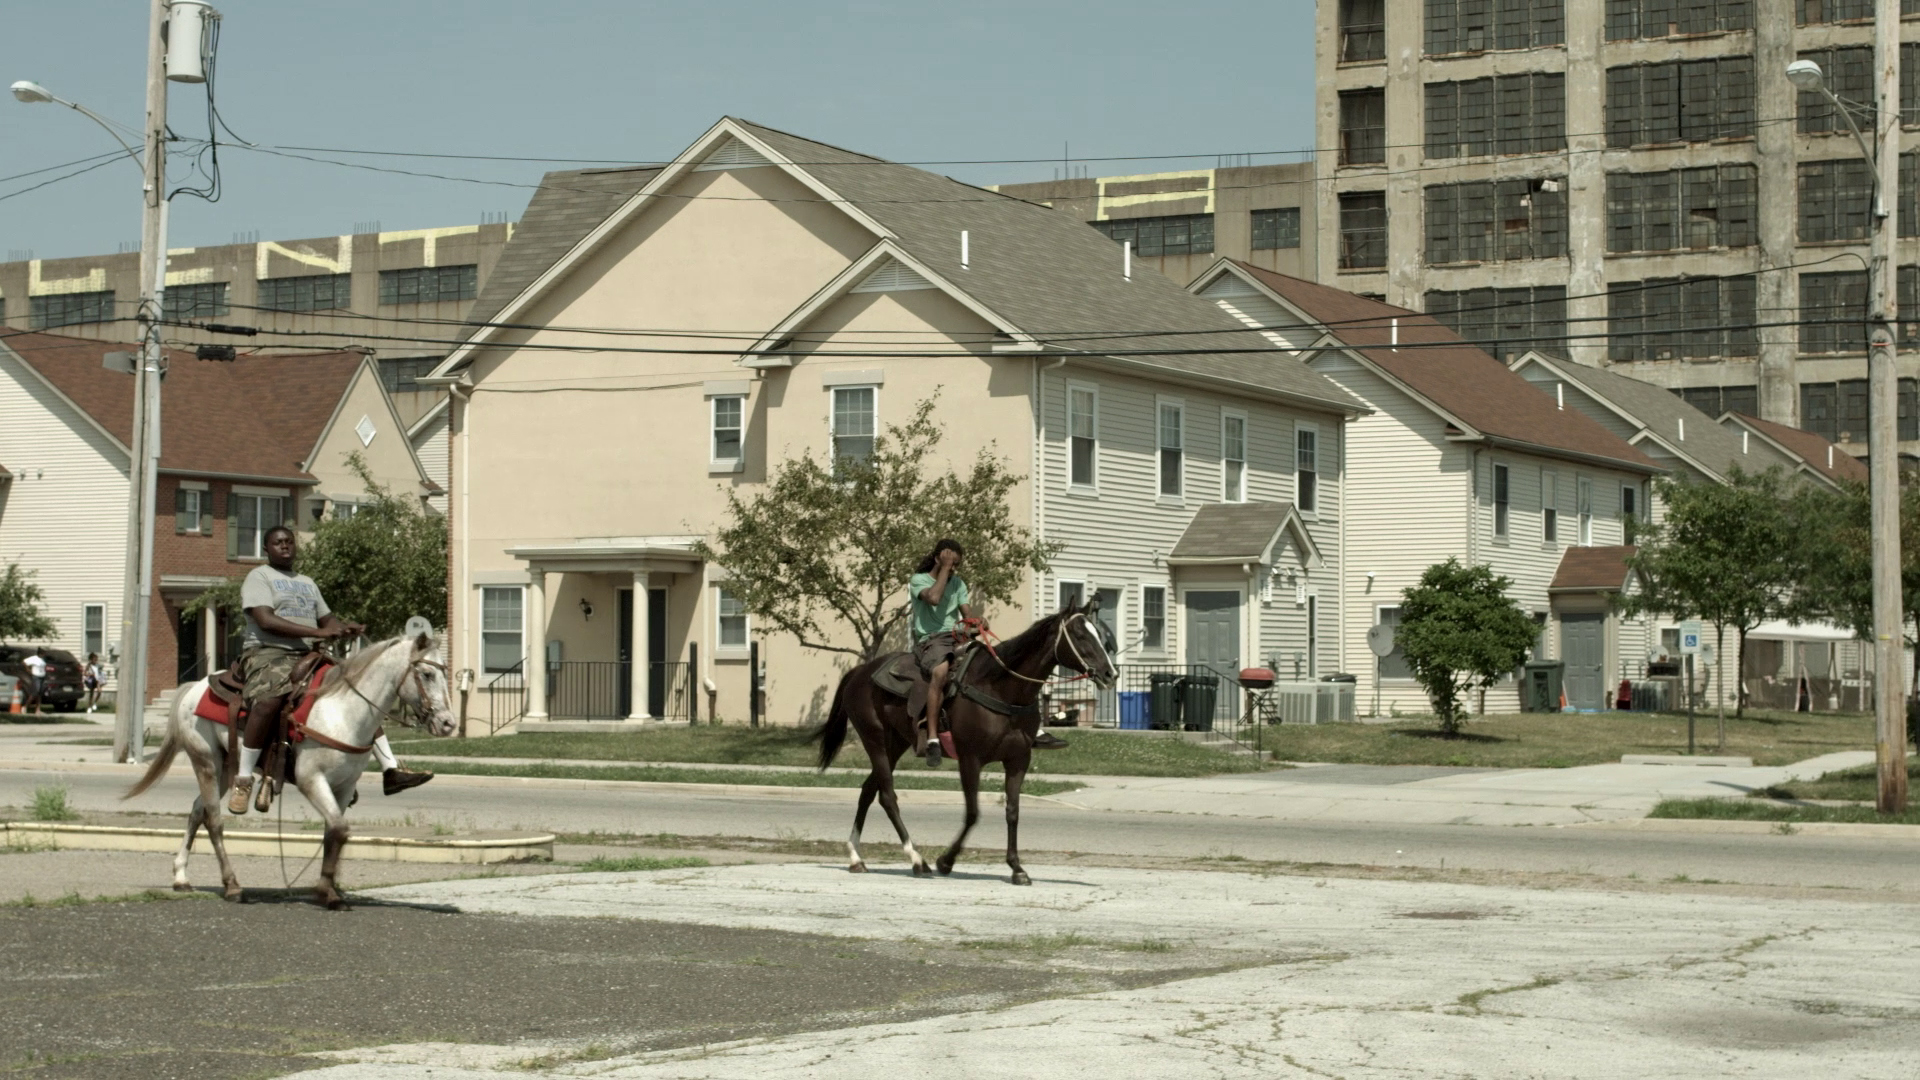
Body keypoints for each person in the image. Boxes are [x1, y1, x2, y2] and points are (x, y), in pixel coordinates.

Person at [226, 526, 433, 814]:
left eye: (289, 542)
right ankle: (244, 779)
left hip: (307, 655)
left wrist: (342, 628)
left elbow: (327, 620)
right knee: (268, 701)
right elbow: (266, 620)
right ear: (267, 548)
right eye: (278, 543)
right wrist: (317, 632)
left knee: (357, 693)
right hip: (267, 653)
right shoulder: (259, 577)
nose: (285, 546)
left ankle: (391, 769)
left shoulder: (307, 582)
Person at [908, 539, 974, 766]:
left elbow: (967, 617)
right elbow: (934, 598)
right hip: (931, 639)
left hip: (955, 636)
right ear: (938, 559)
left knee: (991, 660)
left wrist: (977, 623)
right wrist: (944, 569)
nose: (954, 569)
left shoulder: (958, 584)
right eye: (950, 563)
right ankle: (933, 737)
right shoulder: (918, 580)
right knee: (941, 671)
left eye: (956, 565)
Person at [21, 649, 46, 715]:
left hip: (42, 677)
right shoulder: (34, 658)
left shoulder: (42, 659)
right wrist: (28, 670)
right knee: (35, 692)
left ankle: (38, 710)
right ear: (40, 653)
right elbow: (24, 662)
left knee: (39, 694)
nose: (44, 654)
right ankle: (25, 706)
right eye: (43, 653)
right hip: (36, 677)